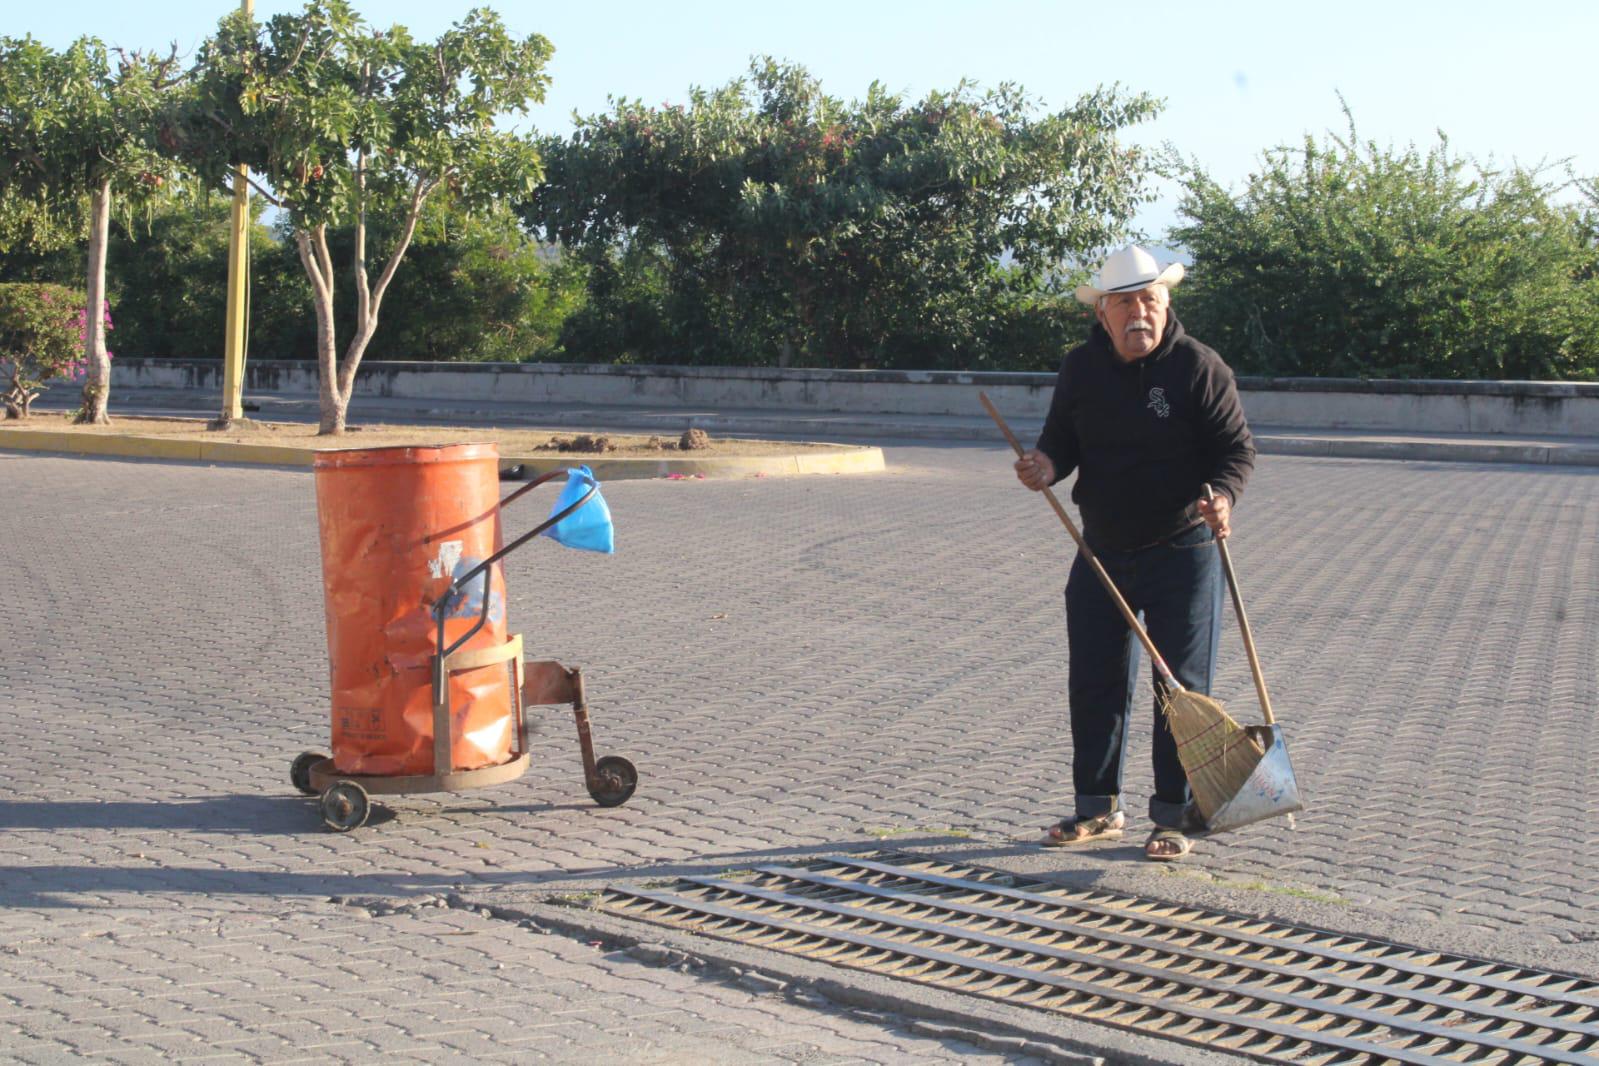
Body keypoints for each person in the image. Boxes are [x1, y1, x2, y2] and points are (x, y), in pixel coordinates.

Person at [1013, 245, 1255, 861]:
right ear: (1103, 315)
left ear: (1165, 303)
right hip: (1101, 552)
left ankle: (1173, 816)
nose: (1137, 313)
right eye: (1124, 303)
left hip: (1185, 551)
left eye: (1148, 300)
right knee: (1094, 680)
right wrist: (1043, 466)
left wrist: (1223, 496)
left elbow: (1235, 450)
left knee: (1181, 690)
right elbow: (1059, 442)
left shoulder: (1200, 367)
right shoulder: (1080, 369)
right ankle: (1097, 810)